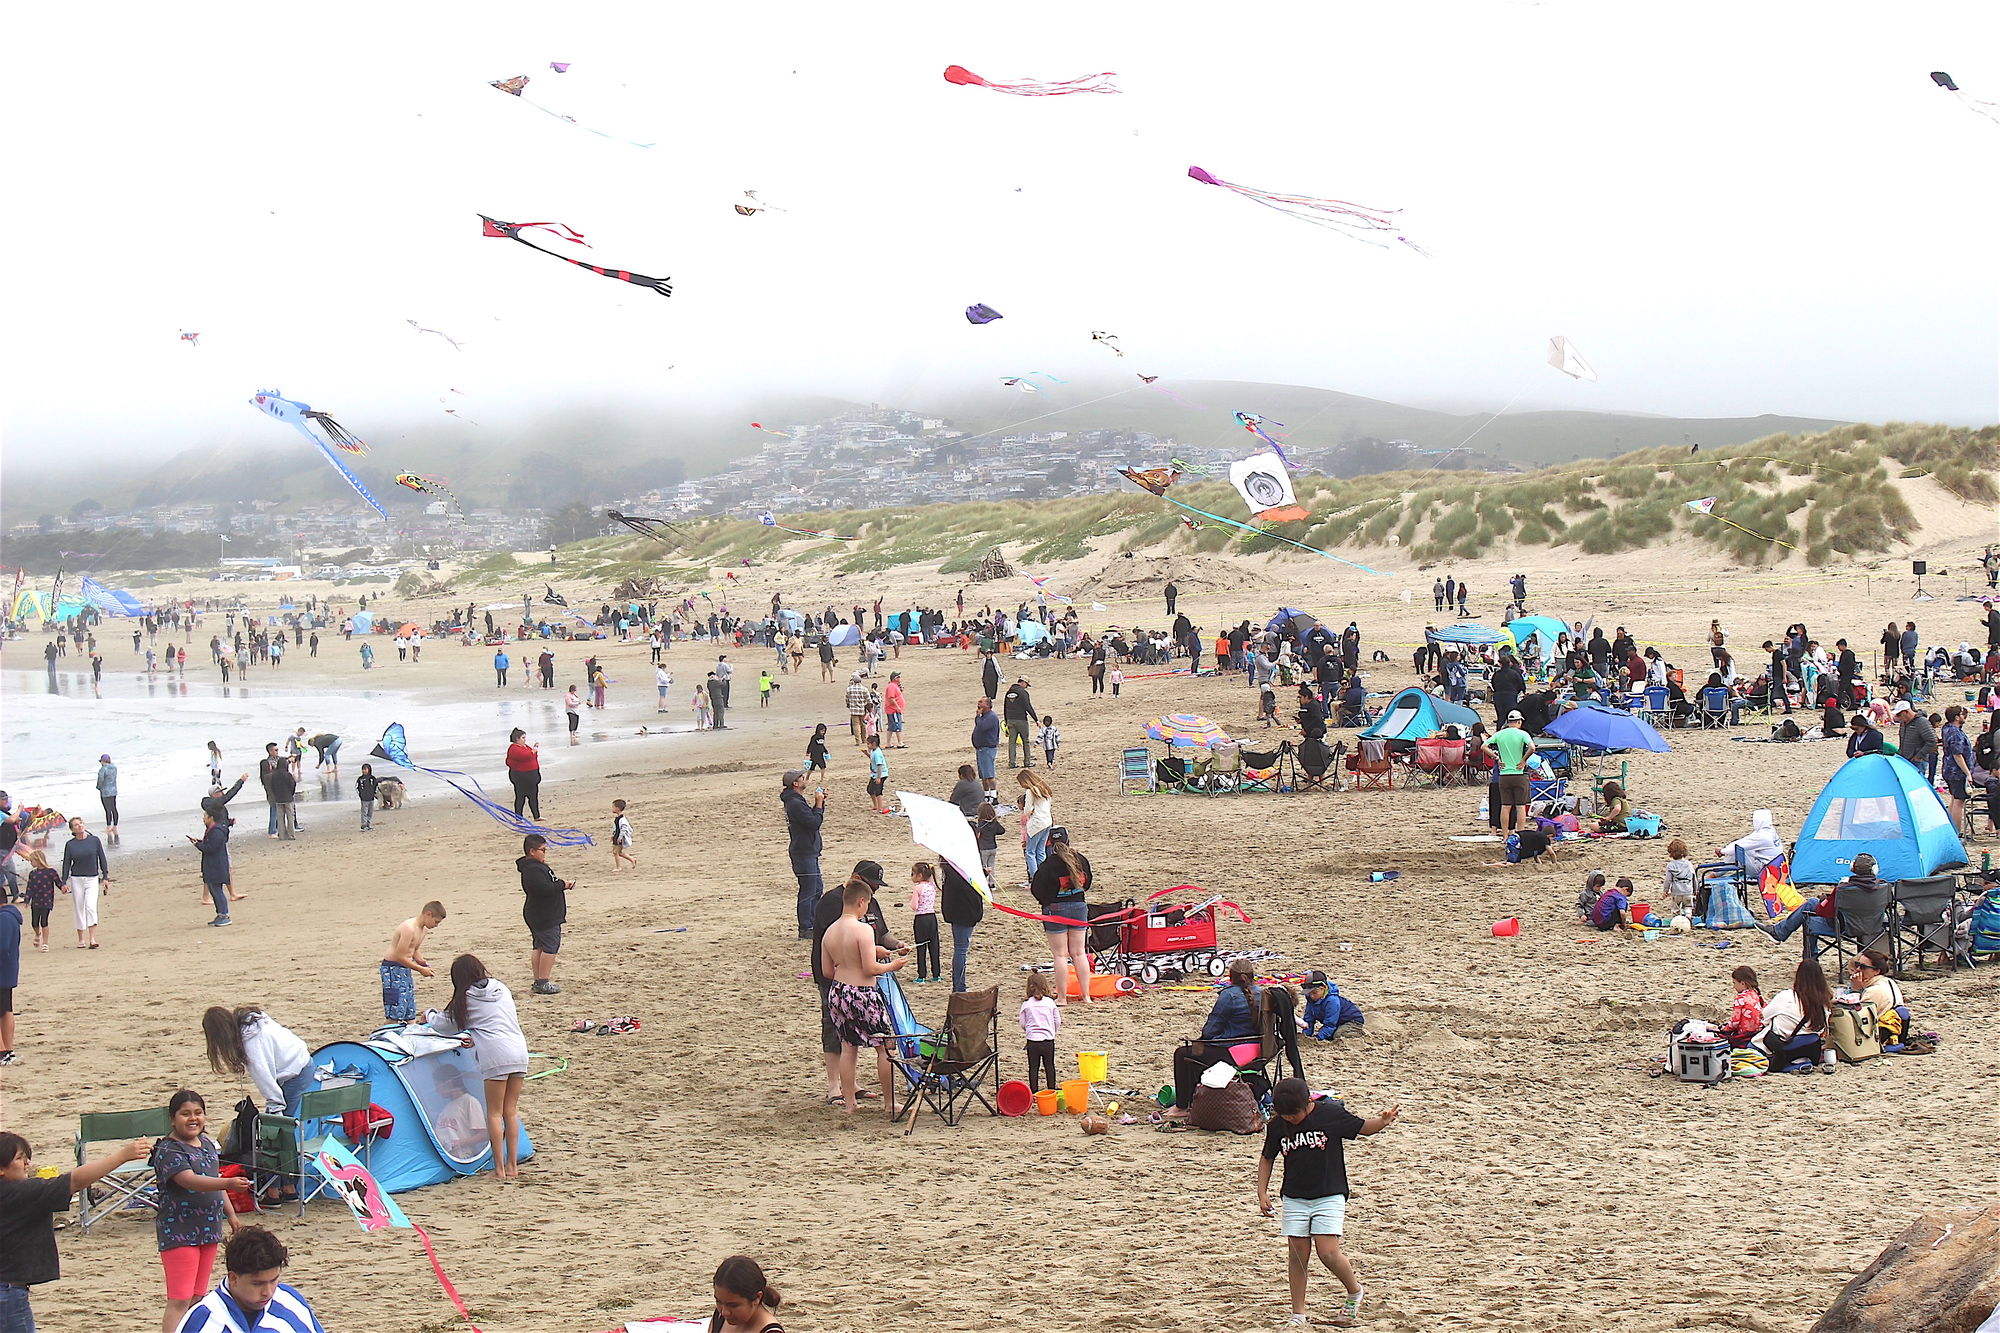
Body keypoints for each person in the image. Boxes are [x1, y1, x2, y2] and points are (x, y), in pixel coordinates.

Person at [1256, 1078, 1400, 1328]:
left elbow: (1363, 1127)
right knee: (1298, 1255)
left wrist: (1383, 1121)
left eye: (1294, 1114)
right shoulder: (1278, 1124)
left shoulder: (1331, 1115)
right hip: (1294, 1197)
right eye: (1285, 1115)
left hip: (1329, 1194)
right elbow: (1267, 1157)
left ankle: (1354, 1290)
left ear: (1309, 1102)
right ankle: (1298, 1314)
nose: (1290, 1119)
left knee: (1328, 1252)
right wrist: (1262, 1192)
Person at [0, 1129, 154, 1329]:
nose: (27, 1163)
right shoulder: (21, 1192)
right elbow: (74, 1181)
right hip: (9, 1293)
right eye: (20, 1158)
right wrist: (122, 1156)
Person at [152, 1090, 252, 1333]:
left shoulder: (207, 1144)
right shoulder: (169, 1150)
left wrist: (231, 1216)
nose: (193, 1119)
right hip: (179, 1232)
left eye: (198, 1113)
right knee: (179, 1299)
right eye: (185, 1114)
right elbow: (189, 1180)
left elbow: (213, 1181)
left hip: (209, 1230)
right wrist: (228, 1183)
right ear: (172, 1118)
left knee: (198, 1297)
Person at [426, 955, 529, 1180]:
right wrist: (476, 1038)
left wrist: (429, 1014)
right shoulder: (501, 988)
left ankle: (499, 1170)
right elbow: (494, 1022)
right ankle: (513, 1166)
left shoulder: (466, 998)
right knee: (510, 1112)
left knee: (493, 1113)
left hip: (495, 1056)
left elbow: (445, 1026)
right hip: (519, 1050)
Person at [823, 878, 908, 1115]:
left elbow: (828, 971)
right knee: (885, 1046)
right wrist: (893, 965)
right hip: (862, 994)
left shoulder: (830, 931)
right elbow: (871, 968)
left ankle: (850, 1103)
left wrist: (866, 955)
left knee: (848, 1046)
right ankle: (890, 1102)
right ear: (861, 902)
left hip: (838, 992)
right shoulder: (862, 929)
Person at [172, 1224, 324, 1333]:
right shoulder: (204, 1321)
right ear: (233, 1279)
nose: (268, 1292)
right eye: (258, 1284)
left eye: (274, 1280)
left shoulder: (290, 1299)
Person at [1164, 959, 1264, 1119]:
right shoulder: (1261, 993)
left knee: (1183, 1053)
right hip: (1259, 1052)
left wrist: (1204, 1040)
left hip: (1232, 1053)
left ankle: (1182, 1105)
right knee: (1197, 1049)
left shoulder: (1229, 996)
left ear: (1231, 977)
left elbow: (1210, 1030)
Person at [202, 1006, 313, 1117]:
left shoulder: (252, 1047)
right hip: (302, 1060)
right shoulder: (256, 1021)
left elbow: (266, 1079)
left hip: (297, 1072)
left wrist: (276, 1110)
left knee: (283, 1125)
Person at [1031, 833, 1093, 1006]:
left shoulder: (1049, 864)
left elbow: (1037, 887)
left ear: (1050, 843)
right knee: (1079, 952)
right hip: (1078, 907)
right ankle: (1086, 996)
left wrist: (1045, 902)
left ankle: (1063, 997)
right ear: (1068, 841)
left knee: (1060, 955)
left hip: (1056, 908)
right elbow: (1087, 883)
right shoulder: (1080, 860)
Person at [1752, 958, 1836, 1073]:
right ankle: (1801, 1063)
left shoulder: (1786, 997)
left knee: (1750, 1047)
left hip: (1779, 1047)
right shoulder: (1824, 1003)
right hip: (1807, 1048)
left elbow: (1764, 1017)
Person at [518, 834, 573, 996]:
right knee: (549, 946)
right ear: (532, 851)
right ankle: (542, 981)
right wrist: (561, 885)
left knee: (540, 946)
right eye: (543, 850)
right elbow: (542, 889)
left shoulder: (534, 867)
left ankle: (539, 981)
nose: (545, 854)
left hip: (541, 913)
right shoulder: (532, 869)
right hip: (543, 915)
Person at [383, 902, 446, 1022]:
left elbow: (414, 949)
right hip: (392, 968)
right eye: (436, 921)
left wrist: (421, 961)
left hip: (405, 968)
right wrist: (420, 969)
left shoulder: (423, 930)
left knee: (408, 1007)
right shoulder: (409, 928)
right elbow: (399, 956)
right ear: (428, 914)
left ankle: (410, 1029)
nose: (436, 925)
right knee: (395, 1009)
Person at [781, 770, 826, 940]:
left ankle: (812, 924)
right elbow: (814, 823)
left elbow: (811, 819)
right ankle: (806, 927)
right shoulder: (794, 803)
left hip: (807, 850)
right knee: (808, 890)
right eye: (801, 778)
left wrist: (820, 803)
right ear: (795, 783)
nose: (804, 780)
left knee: (816, 889)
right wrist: (819, 804)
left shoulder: (796, 801)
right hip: (803, 852)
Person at [59, 816, 110, 949]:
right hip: (76, 878)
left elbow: (102, 859)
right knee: (79, 907)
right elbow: (66, 864)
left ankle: (92, 938)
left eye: (81, 823)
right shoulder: (70, 844)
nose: (79, 826)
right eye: (76, 825)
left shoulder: (94, 840)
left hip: (92, 878)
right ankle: (81, 939)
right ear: (72, 829)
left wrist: (105, 877)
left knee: (91, 906)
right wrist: (63, 882)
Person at [707, 1254, 785, 1333]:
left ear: (757, 1297)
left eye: (733, 1305)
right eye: (719, 1302)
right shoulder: (720, 1317)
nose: (725, 1312)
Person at [940, 856, 983, 993]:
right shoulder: (958, 871)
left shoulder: (952, 870)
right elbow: (969, 889)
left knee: (961, 949)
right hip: (963, 913)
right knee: (960, 950)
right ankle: (959, 987)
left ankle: (959, 986)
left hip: (960, 913)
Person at [186, 812, 235, 927]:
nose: (203, 819)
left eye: (205, 816)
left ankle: (224, 915)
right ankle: (220, 914)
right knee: (214, 889)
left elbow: (211, 848)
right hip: (213, 864)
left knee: (217, 890)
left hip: (217, 864)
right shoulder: (214, 830)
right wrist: (199, 842)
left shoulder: (217, 831)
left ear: (211, 818)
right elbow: (211, 845)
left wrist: (198, 845)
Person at [1491, 713, 1533, 833]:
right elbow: (1532, 747)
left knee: (1505, 806)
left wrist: (1497, 758)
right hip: (1519, 773)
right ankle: (1520, 834)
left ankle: (1504, 836)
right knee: (1520, 807)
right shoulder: (1523, 734)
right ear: (1519, 721)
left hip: (1504, 775)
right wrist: (1523, 760)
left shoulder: (1500, 734)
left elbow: (1484, 746)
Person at [1020, 972, 1060, 1093]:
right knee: (1049, 1066)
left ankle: (1034, 1091)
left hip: (1033, 1041)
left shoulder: (1026, 1004)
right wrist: (1052, 1031)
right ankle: (1051, 1088)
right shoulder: (1050, 1003)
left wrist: (1029, 1031)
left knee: (1033, 1067)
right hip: (1048, 1039)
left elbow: (1022, 1022)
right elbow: (1057, 1021)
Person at [1715, 810, 1784, 880]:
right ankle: (1716, 873)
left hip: (1766, 871)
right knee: (1743, 850)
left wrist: (1722, 851)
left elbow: (1738, 846)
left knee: (1736, 853)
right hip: (1774, 867)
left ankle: (1714, 875)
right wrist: (1725, 849)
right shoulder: (1770, 831)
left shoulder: (1762, 836)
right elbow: (1745, 841)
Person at [1300, 971, 1363, 1040]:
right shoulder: (1310, 999)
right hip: (1336, 1022)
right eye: (1309, 993)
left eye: (1314, 993)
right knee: (1329, 1033)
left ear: (1323, 988)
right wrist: (1306, 1036)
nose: (1311, 996)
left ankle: (1359, 1032)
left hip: (1352, 1020)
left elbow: (1330, 1024)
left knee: (1337, 1035)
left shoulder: (1332, 1001)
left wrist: (1318, 1038)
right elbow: (1308, 1019)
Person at [908, 861, 940, 983]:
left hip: (921, 919)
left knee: (921, 947)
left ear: (920, 875)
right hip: (932, 918)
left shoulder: (918, 888)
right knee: (934, 945)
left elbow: (914, 906)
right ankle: (936, 974)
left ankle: (922, 975)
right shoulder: (932, 886)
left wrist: (912, 899)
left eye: (913, 874)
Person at [1017, 770, 1054, 877]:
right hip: (1047, 821)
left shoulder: (1030, 791)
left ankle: (1036, 877)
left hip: (1037, 823)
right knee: (1041, 851)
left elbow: (1027, 809)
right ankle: (1044, 875)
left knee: (1030, 852)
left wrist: (1031, 810)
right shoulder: (1044, 788)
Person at [1719, 966, 1765, 1045]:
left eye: (1734, 983)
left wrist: (1723, 1029)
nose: (1734, 986)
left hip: (1744, 1034)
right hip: (1757, 1032)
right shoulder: (1755, 994)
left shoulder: (1740, 998)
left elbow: (1734, 1023)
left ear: (1743, 983)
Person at [22, 850, 57, 953]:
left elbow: (58, 882)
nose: (31, 863)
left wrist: (63, 887)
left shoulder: (51, 872)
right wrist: (27, 899)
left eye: (32, 861)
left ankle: (45, 943)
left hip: (47, 900)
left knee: (44, 921)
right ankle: (37, 934)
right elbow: (30, 887)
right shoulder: (33, 874)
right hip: (36, 901)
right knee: (34, 922)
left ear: (38, 860)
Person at [505, 729, 542, 821]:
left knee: (533, 796)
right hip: (521, 777)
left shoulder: (525, 747)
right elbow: (525, 757)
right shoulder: (514, 748)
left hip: (532, 776)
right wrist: (534, 751)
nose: (525, 740)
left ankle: (536, 816)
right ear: (517, 739)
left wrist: (534, 749)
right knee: (520, 797)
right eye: (523, 738)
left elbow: (532, 756)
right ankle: (518, 818)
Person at [1002, 677, 1037, 769]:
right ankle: (1027, 761)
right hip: (1021, 720)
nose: (1026, 687)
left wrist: (1006, 720)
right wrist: (1036, 719)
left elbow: (1005, 707)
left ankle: (1012, 763)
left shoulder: (1008, 692)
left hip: (1010, 719)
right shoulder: (1023, 693)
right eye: (1026, 685)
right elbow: (1028, 706)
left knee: (1012, 742)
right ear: (1024, 683)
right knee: (1025, 741)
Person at [971, 698, 1001, 800]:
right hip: (981, 749)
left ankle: (993, 796)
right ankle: (986, 795)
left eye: (981, 702)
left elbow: (982, 727)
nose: (978, 704)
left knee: (989, 774)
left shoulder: (991, 717)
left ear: (987, 705)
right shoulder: (984, 716)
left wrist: (977, 717)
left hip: (987, 748)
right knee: (983, 775)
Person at [1662, 838, 1696, 918]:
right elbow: (1694, 878)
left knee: (1675, 908)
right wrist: (1695, 889)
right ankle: (1688, 917)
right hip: (1688, 890)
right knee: (1688, 907)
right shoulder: (1689, 864)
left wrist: (1665, 890)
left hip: (1676, 891)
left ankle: (1676, 920)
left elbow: (1668, 880)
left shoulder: (1671, 865)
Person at [973, 800, 1005, 883]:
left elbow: (977, 835)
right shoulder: (994, 823)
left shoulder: (981, 824)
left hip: (983, 848)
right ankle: (992, 883)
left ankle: (984, 883)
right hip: (993, 848)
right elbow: (1001, 831)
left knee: (983, 867)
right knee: (991, 866)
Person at [95, 754, 119, 839]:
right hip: (113, 790)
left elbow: (100, 780)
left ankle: (108, 826)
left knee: (107, 809)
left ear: (103, 761)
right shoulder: (114, 768)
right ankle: (115, 826)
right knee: (114, 808)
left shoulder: (103, 769)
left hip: (105, 792)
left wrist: (98, 787)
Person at [610, 799, 637, 871]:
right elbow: (616, 828)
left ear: (617, 808)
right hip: (616, 837)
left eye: (613, 807)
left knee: (616, 852)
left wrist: (620, 837)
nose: (612, 808)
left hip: (619, 838)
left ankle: (618, 867)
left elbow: (624, 828)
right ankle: (632, 859)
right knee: (619, 852)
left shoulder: (622, 819)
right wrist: (613, 835)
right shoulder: (618, 818)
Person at [866, 735, 890, 814]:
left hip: (881, 774)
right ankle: (875, 805)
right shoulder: (874, 751)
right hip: (875, 774)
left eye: (868, 744)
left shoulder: (877, 753)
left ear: (873, 744)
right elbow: (874, 761)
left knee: (878, 791)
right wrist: (867, 754)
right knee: (870, 790)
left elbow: (880, 765)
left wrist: (879, 777)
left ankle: (880, 808)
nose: (867, 746)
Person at [356, 763, 379, 831]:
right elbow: (357, 788)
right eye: (363, 769)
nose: (364, 771)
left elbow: (376, 786)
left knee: (370, 812)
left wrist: (374, 794)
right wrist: (361, 795)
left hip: (371, 798)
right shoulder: (360, 779)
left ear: (369, 770)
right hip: (364, 799)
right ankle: (363, 825)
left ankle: (368, 824)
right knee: (364, 812)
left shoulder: (373, 778)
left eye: (365, 769)